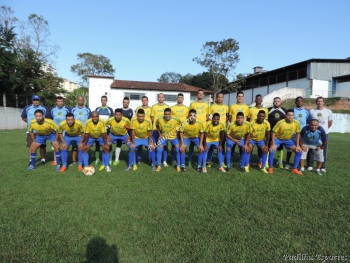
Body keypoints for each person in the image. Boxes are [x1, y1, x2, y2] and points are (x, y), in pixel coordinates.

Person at [268, 109, 303, 175]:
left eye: (292, 115)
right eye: (288, 115)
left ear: (294, 116)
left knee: (299, 151)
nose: (290, 117)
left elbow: (298, 133)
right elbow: (273, 132)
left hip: (288, 139)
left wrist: (298, 145)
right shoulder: (280, 122)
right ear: (285, 115)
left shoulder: (296, 123)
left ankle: (294, 169)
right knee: (272, 150)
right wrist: (273, 143)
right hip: (278, 139)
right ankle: (270, 168)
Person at [21, 94, 50, 165]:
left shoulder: (44, 108)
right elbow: (24, 117)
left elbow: (48, 118)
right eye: (34, 100)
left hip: (41, 131)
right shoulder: (27, 108)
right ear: (32, 100)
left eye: (37, 100)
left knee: (42, 146)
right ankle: (31, 160)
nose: (36, 101)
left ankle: (43, 159)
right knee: (31, 145)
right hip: (30, 131)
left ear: (39, 101)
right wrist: (31, 124)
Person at [308, 96, 333, 173]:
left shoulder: (328, 111)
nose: (319, 102)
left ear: (323, 102)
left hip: (324, 134)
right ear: (316, 102)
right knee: (311, 149)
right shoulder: (312, 111)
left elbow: (330, 123)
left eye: (321, 101)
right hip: (313, 133)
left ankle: (323, 166)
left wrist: (322, 131)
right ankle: (310, 165)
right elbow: (309, 122)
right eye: (318, 101)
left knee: (323, 150)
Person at [285, 96, 310, 169]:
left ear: (303, 102)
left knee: (301, 148)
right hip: (293, 133)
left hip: (302, 134)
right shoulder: (292, 110)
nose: (299, 102)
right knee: (290, 149)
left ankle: (299, 164)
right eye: (298, 101)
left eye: (301, 101)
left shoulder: (306, 111)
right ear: (295, 102)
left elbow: (308, 122)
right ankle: (287, 163)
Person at [207, 92, 229, 167]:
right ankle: (209, 161)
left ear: (223, 98)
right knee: (211, 147)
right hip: (213, 128)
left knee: (222, 146)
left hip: (222, 129)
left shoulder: (226, 107)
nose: (220, 99)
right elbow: (209, 118)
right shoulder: (212, 106)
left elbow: (227, 118)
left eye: (221, 97)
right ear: (216, 98)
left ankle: (222, 161)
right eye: (218, 97)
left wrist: (225, 125)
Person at [189, 89, 210, 168]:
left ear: (204, 95)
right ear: (197, 94)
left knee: (203, 144)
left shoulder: (207, 105)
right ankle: (190, 161)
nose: (200, 95)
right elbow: (190, 115)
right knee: (191, 144)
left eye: (202, 94)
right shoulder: (193, 104)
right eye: (199, 93)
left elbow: (207, 117)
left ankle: (201, 162)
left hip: (203, 127)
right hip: (194, 126)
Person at [50, 96, 71, 166]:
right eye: (58, 101)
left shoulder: (67, 109)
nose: (60, 103)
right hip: (54, 131)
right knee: (56, 145)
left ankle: (65, 160)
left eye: (61, 101)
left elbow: (70, 119)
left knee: (65, 146)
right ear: (56, 102)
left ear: (63, 102)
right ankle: (55, 160)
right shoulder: (52, 109)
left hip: (65, 131)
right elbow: (50, 120)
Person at [71, 96, 91, 166]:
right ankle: (74, 161)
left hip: (85, 131)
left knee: (85, 146)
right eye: (79, 100)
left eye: (82, 100)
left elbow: (89, 121)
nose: (80, 101)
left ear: (84, 101)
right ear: (77, 100)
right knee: (74, 147)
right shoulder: (73, 109)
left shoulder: (87, 109)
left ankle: (83, 161)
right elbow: (70, 119)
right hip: (76, 131)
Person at [267, 97, 287, 168]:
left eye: (278, 101)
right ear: (273, 102)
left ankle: (280, 161)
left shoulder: (284, 110)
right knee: (269, 145)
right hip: (270, 131)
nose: (276, 102)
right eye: (275, 101)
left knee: (280, 147)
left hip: (280, 133)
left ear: (280, 102)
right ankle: (267, 161)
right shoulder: (269, 110)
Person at [170, 93, 189, 166]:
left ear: (183, 99)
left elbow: (188, 118)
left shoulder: (186, 108)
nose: (180, 99)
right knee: (174, 145)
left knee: (182, 144)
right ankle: (173, 159)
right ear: (177, 98)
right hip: (175, 129)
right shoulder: (172, 108)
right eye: (178, 97)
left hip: (183, 129)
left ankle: (181, 160)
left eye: (181, 97)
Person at [151, 93, 169, 166]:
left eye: (162, 97)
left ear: (164, 98)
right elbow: (152, 118)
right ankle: (154, 160)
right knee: (154, 145)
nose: (161, 98)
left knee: (165, 146)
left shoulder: (167, 106)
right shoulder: (154, 107)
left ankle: (164, 161)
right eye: (159, 97)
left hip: (164, 129)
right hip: (155, 129)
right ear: (158, 98)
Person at [95, 95, 114, 165]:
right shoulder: (97, 109)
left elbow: (112, 120)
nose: (103, 101)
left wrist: (108, 126)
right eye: (102, 100)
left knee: (109, 143)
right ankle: (97, 159)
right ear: (101, 101)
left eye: (104, 100)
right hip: (99, 130)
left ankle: (110, 159)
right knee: (98, 143)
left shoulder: (110, 109)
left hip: (107, 130)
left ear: (106, 101)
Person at [135, 96, 152, 164]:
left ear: (148, 101)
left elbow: (152, 118)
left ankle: (149, 159)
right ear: (141, 101)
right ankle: (139, 159)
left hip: (148, 128)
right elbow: (136, 119)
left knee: (149, 145)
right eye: (143, 100)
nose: (144, 101)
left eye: (145, 100)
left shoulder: (151, 109)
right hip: (140, 129)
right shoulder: (138, 108)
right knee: (139, 146)